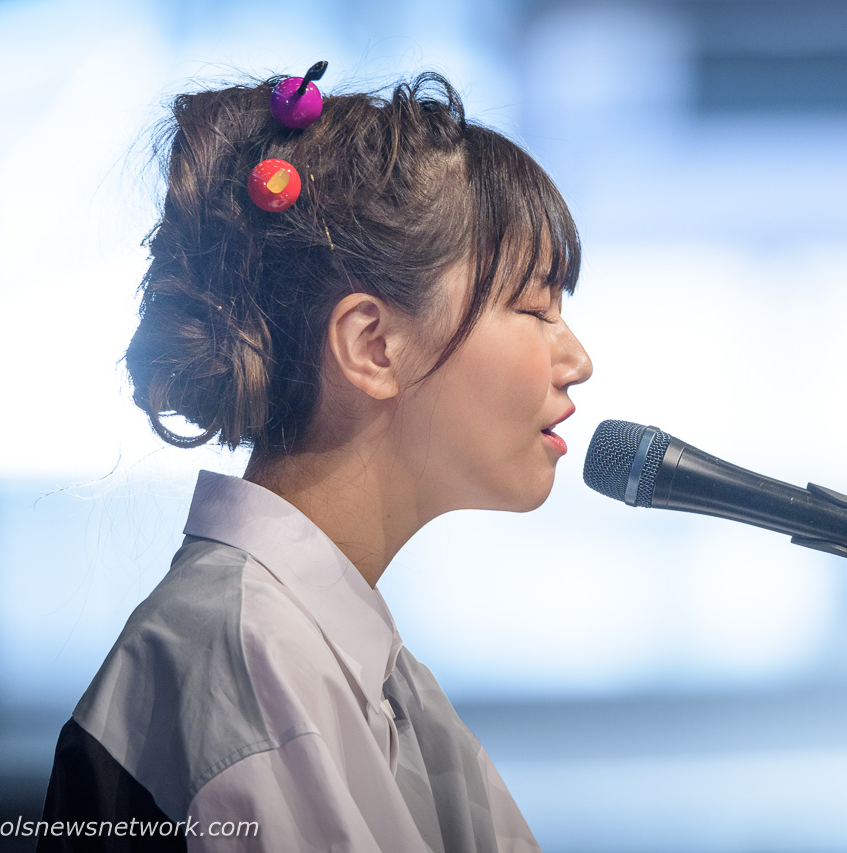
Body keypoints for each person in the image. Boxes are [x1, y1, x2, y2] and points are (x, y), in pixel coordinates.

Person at [37, 66, 592, 852]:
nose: (578, 360)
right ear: (373, 344)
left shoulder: (336, 657)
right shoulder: (247, 656)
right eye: (535, 307)